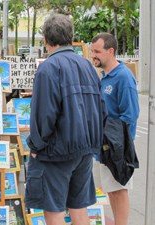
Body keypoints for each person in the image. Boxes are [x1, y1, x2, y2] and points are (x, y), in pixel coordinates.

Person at [25, 14, 106, 225]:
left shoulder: (49, 68)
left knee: (54, 211)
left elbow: (44, 114)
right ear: (71, 37)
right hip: (84, 149)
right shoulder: (88, 66)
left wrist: (35, 144)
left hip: (56, 151)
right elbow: (100, 109)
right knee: (79, 207)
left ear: (45, 39)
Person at [90, 32, 140, 225]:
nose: (93, 55)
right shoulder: (105, 76)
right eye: (92, 51)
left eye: (97, 51)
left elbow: (130, 115)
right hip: (105, 145)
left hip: (116, 146)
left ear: (110, 51)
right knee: (111, 190)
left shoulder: (124, 77)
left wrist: (114, 143)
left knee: (119, 190)